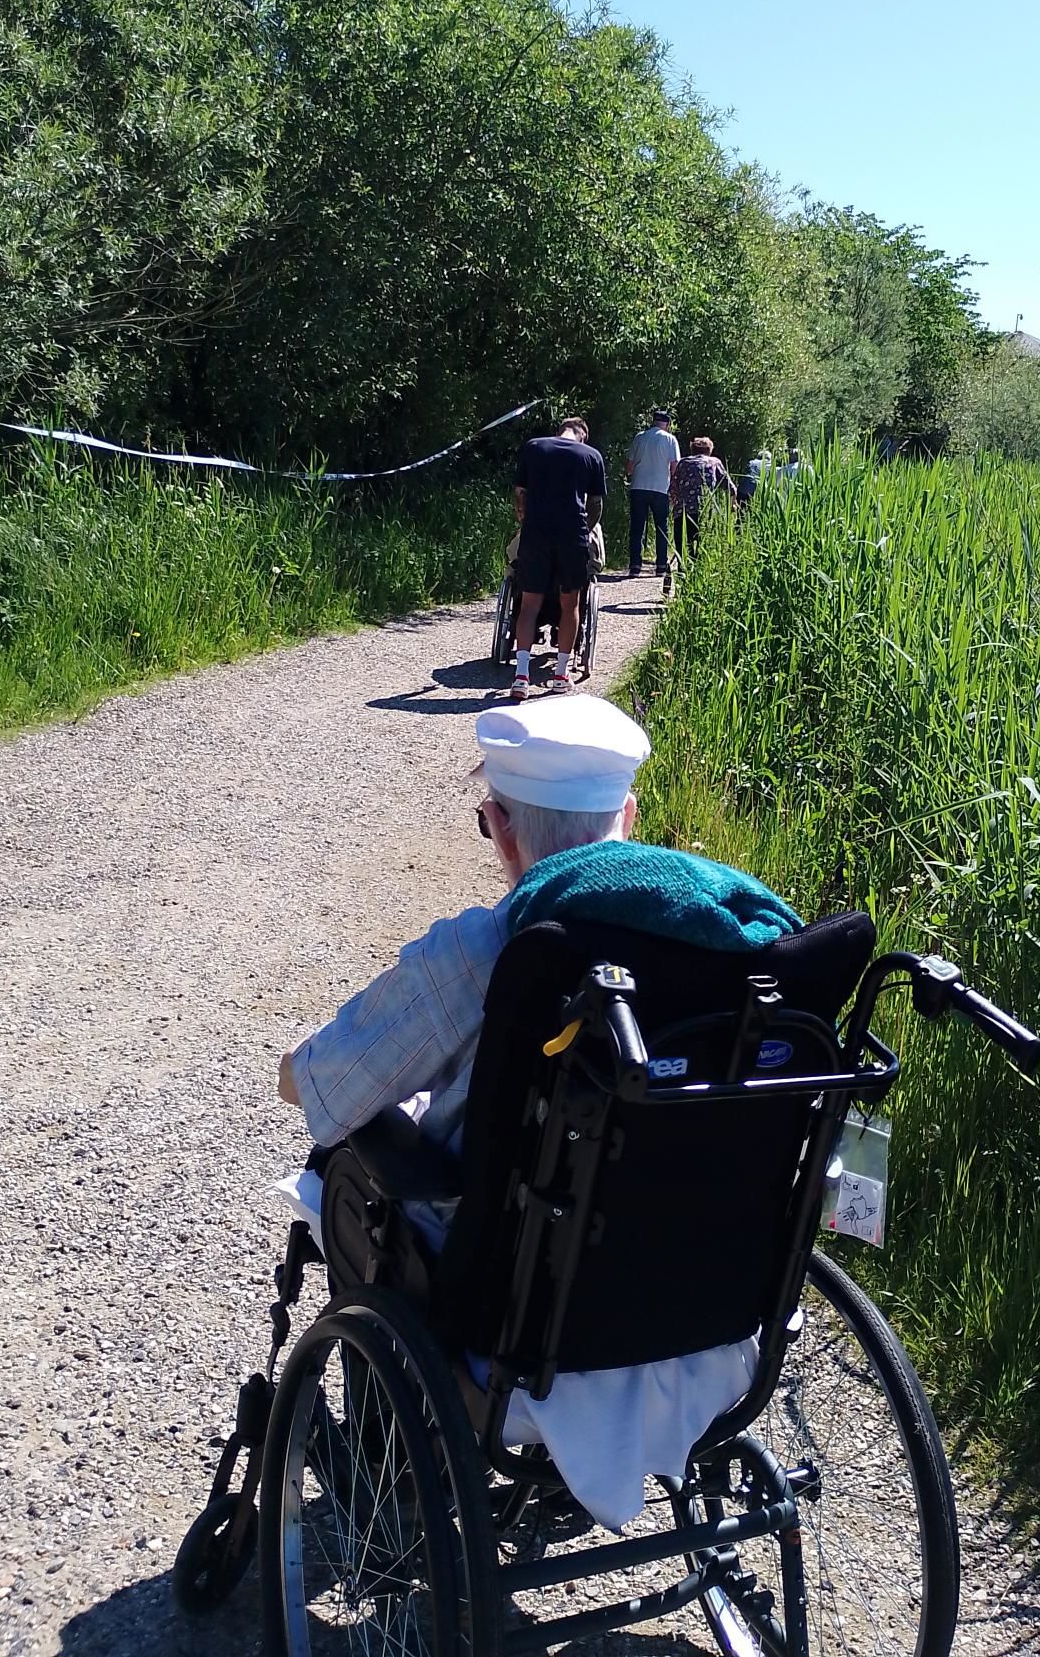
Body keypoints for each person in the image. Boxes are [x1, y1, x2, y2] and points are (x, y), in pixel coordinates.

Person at [277, 695, 803, 1530]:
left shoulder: (493, 952)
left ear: (501, 829)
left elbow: (322, 1089)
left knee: (346, 1174)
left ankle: (390, 1477)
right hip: (717, 1323)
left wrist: (300, 1070)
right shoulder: (749, 949)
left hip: (520, 1332)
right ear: (629, 817)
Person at [508, 415, 605, 701]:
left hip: (535, 533)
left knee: (528, 605)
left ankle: (521, 676)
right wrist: (585, 530)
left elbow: (520, 493)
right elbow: (595, 503)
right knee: (570, 603)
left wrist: (525, 520)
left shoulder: (534, 447)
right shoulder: (591, 455)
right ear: (583, 435)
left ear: (559, 430)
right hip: (571, 535)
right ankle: (561, 675)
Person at [624, 407, 680, 578]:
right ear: (667, 424)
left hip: (638, 486)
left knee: (637, 527)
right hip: (660, 488)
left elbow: (629, 466)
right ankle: (661, 565)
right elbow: (675, 466)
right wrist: (674, 486)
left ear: (653, 422)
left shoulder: (640, 437)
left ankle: (635, 566)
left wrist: (632, 475)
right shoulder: (670, 440)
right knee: (661, 527)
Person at [668, 435, 736, 568]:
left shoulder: (683, 463)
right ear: (709, 451)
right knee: (703, 547)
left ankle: (683, 572)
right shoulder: (714, 462)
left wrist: (675, 504)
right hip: (705, 512)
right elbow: (731, 488)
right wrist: (733, 504)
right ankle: (700, 571)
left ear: (692, 450)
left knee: (683, 546)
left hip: (683, 512)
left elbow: (672, 489)